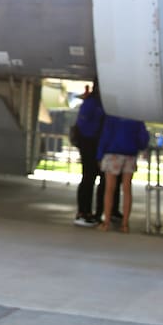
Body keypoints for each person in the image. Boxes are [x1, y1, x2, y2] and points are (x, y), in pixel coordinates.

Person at [96, 114, 149, 233]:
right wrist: (139, 146)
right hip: (130, 154)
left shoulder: (113, 115)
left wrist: (99, 155)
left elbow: (106, 135)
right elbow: (143, 137)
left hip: (113, 153)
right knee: (127, 189)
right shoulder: (136, 117)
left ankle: (106, 222)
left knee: (109, 189)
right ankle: (125, 224)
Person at [72, 84, 104, 226]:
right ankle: (82, 212)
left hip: (94, 143)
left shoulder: (98, 103)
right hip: (89, 143)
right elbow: (83, 124)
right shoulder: (92, 103)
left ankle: (88, 211)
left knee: (91, 178)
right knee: (88, 178)